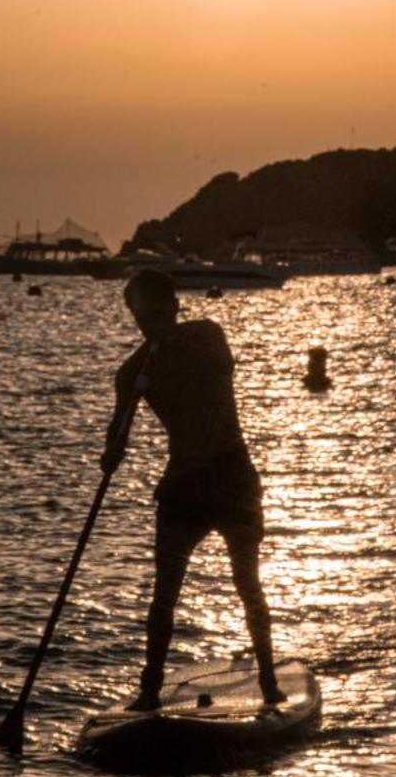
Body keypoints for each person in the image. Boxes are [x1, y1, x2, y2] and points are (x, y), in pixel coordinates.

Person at [102, 267, 283, 712]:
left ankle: (269, 680)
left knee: (247, 582)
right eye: (140, 320)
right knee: (164, 592)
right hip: (182, 487)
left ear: (175, 308)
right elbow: (117, 433)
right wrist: (111, 452)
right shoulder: (132, 373)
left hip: (233, 481)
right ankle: (149, 691)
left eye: (155, 316)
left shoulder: (207, 336)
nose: (148, 327)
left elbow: (222, 367)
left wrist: (171, 344)